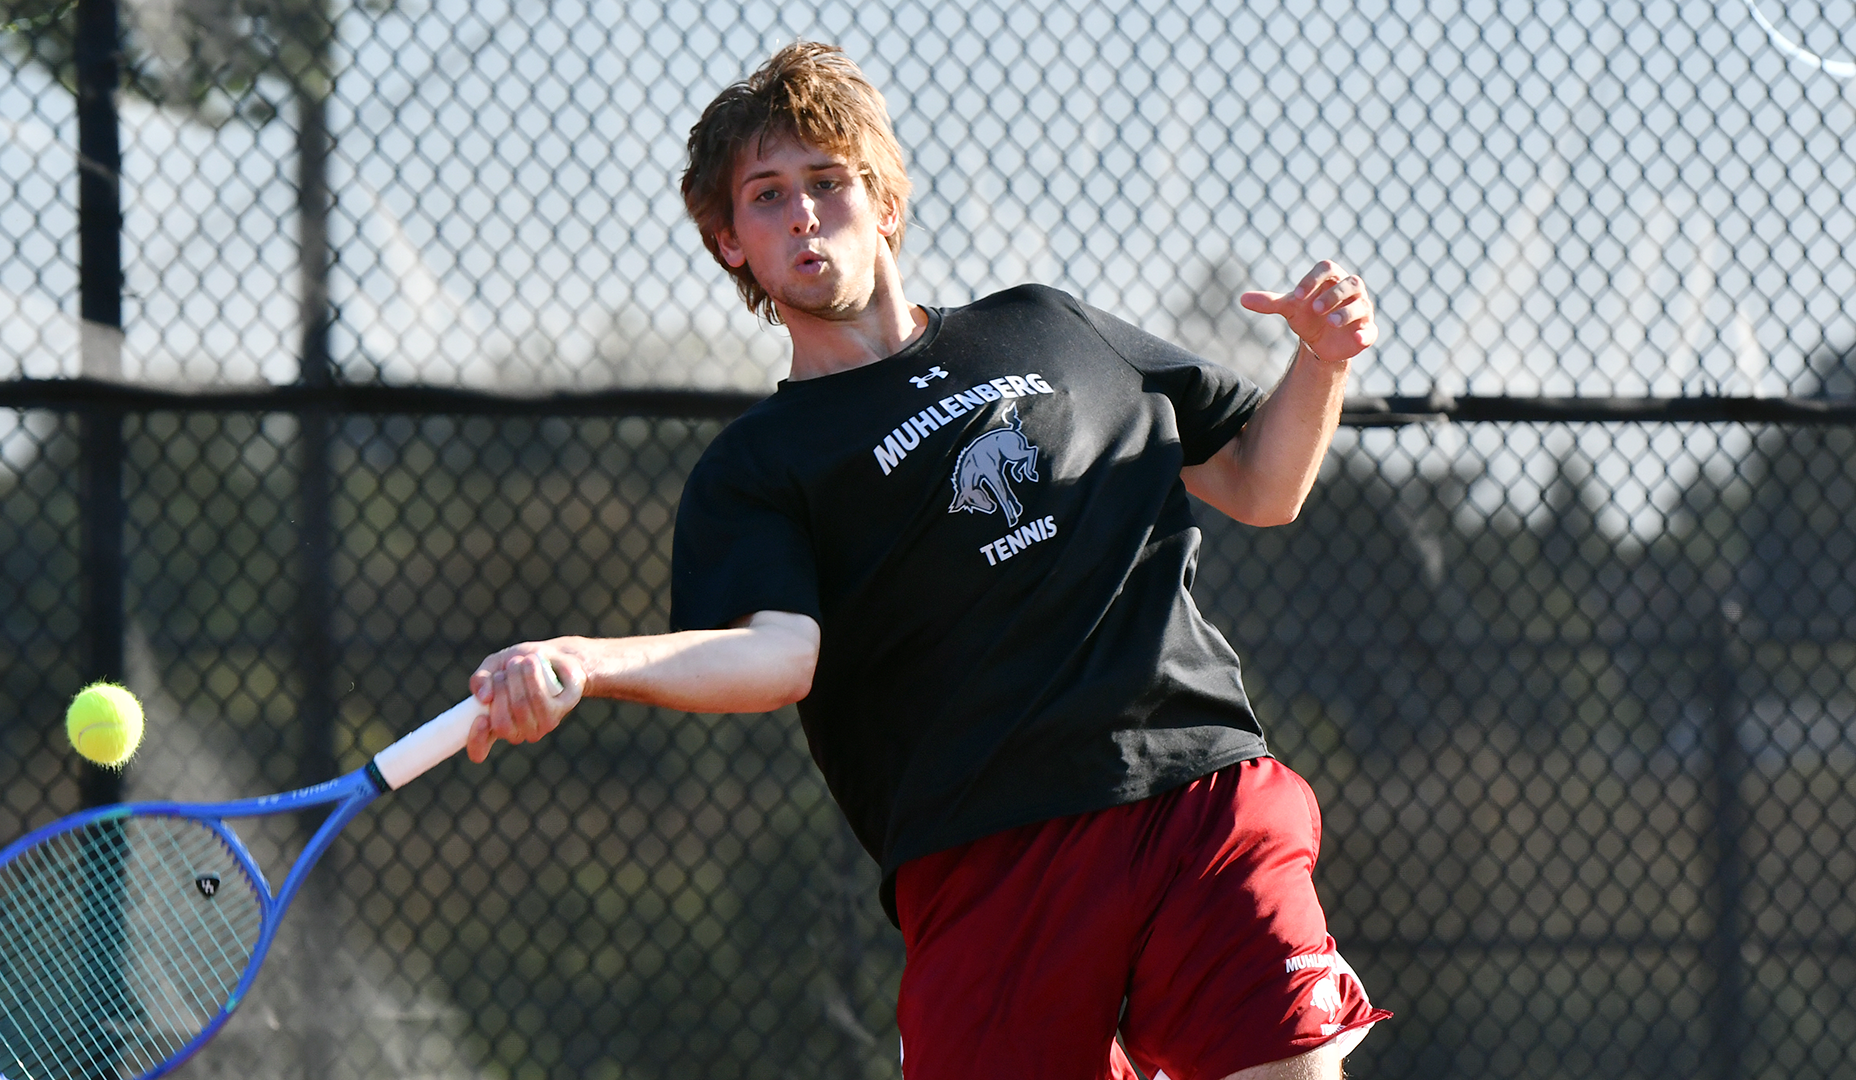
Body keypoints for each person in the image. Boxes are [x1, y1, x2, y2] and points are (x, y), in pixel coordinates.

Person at [465, 41, 1388, 1080]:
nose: (803, 213)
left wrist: (1320, 361)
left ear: (886, 203)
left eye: (828, 182)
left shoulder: (1053, 324)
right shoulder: (757, 469)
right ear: (731, 243)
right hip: (987, 866)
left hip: (1198, 793)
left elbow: (1263, 485)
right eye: (766, 197)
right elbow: (776, 658)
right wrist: (589, 662)